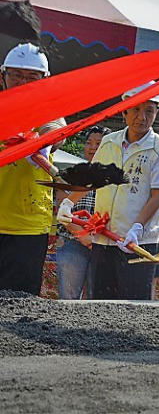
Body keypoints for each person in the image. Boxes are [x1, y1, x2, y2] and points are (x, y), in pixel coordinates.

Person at [75, 82, 159, 300]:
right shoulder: (108, 142)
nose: (141, 117)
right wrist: (68, 202)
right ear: (124, 110)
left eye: (149, 111)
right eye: (136, 109)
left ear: (157, 112)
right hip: (103, 237)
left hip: (136, 242)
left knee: (133, 305)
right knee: (100, 302)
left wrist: (137, 228)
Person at [0, 43, 59, 295]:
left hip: (28, 226)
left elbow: (56, 131)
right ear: (3, 76)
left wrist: (42, 141)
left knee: (20, 302)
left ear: (44, 81)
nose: (22, 82)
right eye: (16, 75)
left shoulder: (49, 109)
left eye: (31, 77)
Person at [56, 126, 108, 299]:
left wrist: (95, 239)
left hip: (104, 244)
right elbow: (60, 207)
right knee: (68, 297)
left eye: (98, 143)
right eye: (89, 143)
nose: (92, 147)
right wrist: (83, 236)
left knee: (98, 299)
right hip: (72, 242)